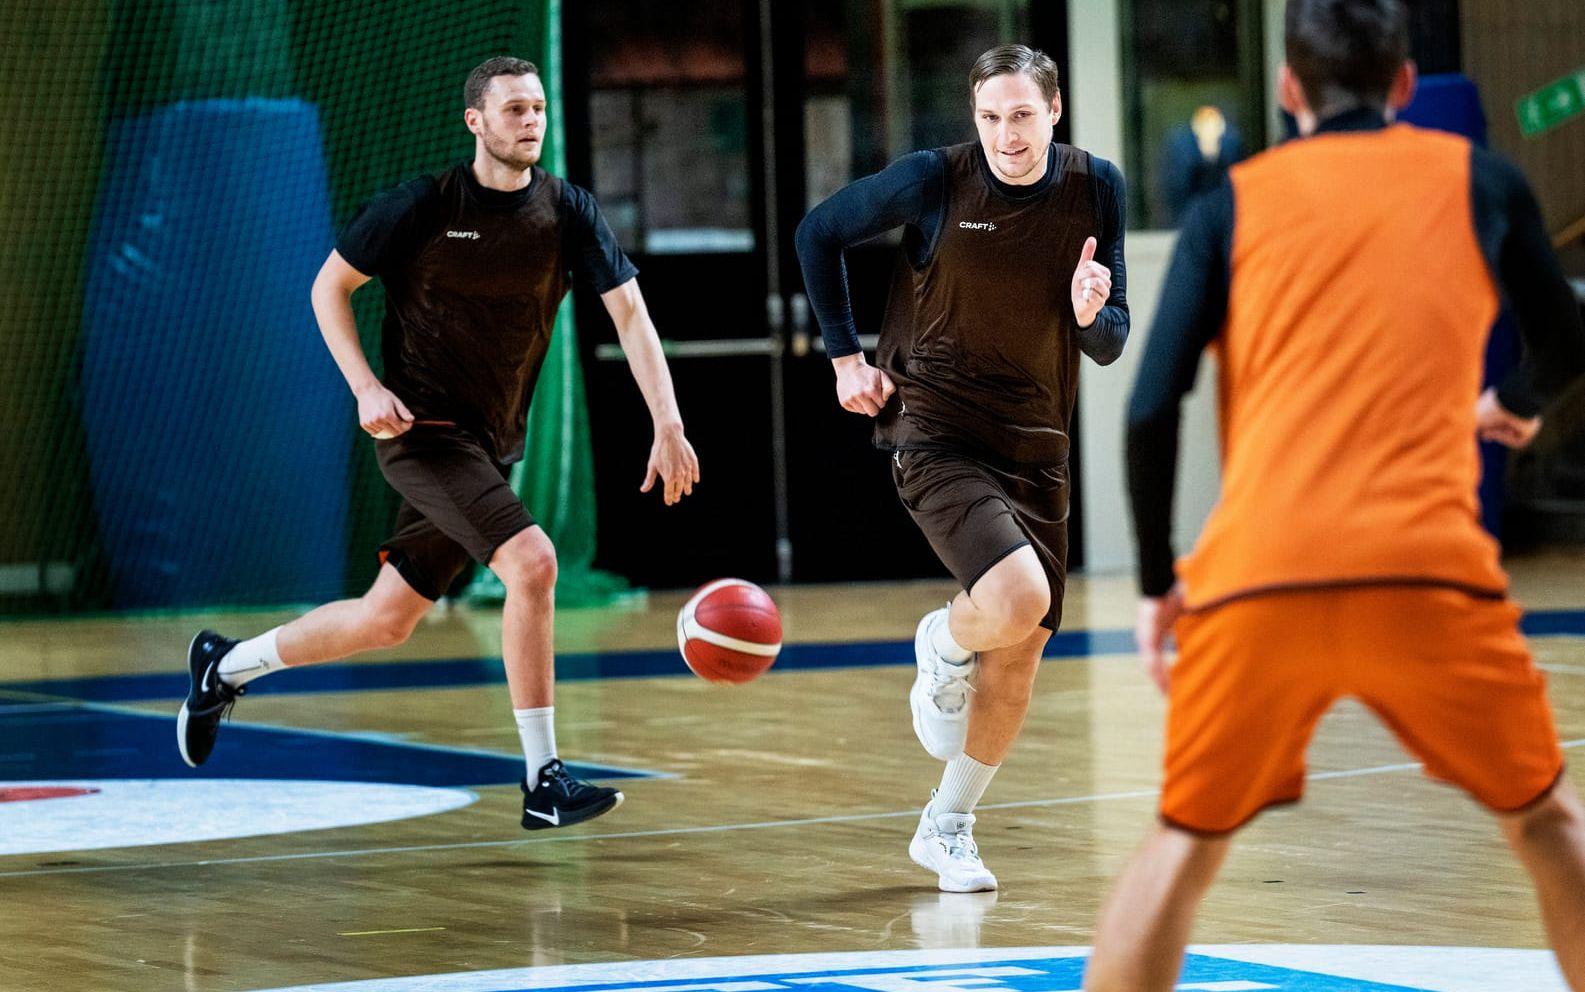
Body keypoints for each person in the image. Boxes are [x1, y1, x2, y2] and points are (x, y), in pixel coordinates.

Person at [1085, 1, 1585, 988]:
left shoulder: (1227, 202)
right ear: (1405, 85)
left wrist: (1155, 583)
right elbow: (1567, 337)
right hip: (1428, 577)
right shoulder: (1482, 181)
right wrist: (1513, 400)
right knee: (1545, 822)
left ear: (1285, 89)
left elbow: (1148, 409)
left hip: (1257, 578)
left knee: (1181, 842)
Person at [176, 56, 700, 832]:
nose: (530, 121)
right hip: (419, 432)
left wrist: (668, 421)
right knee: (533, 562)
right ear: (475, 122)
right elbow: (329, 289)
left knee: (387, 620)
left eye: (538, 109)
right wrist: (364, 387)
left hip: (489, 444)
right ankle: (543, 779)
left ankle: (224, 667)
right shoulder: (421, 206)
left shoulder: (568, 212)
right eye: (514, 109)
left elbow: (630, 316)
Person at [795, 43, 1129, 892]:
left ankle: (946, 827)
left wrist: (1092, 315)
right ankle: (941, 641)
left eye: (1020, 115)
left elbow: (1108, 340)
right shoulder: (934, 179)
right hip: (934, 428)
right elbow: (817, 233)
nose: (1005, 135)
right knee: (1018, 599)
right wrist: (843, 360)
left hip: (1037, 443)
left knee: (1018, 653)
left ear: (1053, 111)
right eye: (988, 117)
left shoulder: (1097, 188)